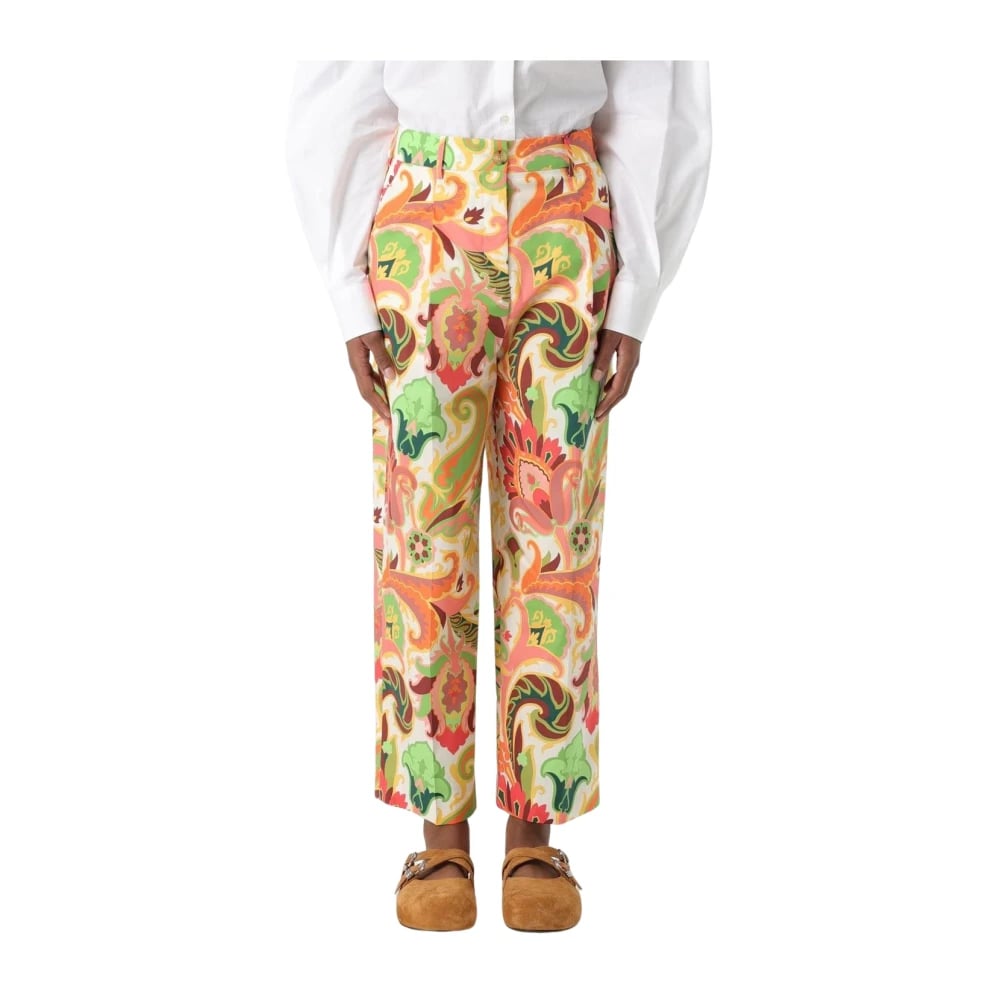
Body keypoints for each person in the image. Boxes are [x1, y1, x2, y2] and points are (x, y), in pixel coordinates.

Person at [285, 60, 712, 931]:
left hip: (567, 201)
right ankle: (440, 838)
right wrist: (345, 283)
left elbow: (654, 76)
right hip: (424, 209)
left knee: (558, 535)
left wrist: (638, 284)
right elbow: (343, 65)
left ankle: (533, 839)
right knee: (423, 533)